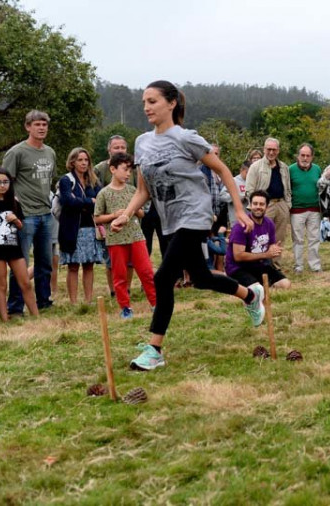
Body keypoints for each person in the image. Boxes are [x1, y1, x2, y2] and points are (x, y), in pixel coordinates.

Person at [110, 80, 262, 371]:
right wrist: (126, 214)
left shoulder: (186, 138)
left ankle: (155, 349)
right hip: (170, 219)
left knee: (164, 276)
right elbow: (143, 190)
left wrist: (239, 209)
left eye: (152, 101)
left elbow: (222, 170)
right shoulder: (142, 143)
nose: (146, 107)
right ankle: (251, 295)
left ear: (171, 103)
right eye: (144, 102)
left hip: (195, 213)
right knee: (202, 277)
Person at [2, 110, 55, 314]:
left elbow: (50, 179)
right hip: (25, 216)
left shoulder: (50, 152)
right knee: (20, 264)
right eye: (37, 124)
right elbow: (4, 182)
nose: (41, 128)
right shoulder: (17, 152)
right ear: (27, 127)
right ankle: (15, 307)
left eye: (44, 124)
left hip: (46, 213)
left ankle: (44, 301)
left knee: (45, 262)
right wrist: (13, 209)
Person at [94, 152, 157, 319]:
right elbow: (97, 218)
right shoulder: (104, 193)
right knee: (119, 275)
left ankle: (155, 303)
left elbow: (143, 213)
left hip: (136, 236)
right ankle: (125, 308)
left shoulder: (133, 191)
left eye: (130, 170)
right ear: (113, 169)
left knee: (146, 272)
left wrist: (133, 210)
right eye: (125, 169)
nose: (128, 174)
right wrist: (115, 215)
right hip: (115, 240)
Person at [0, 170, 39, 321]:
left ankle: (36, 316)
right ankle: (5, 319)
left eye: (5, 182)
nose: (2, 185)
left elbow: (20, 225)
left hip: (14, 248)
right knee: (1, 284)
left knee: (25, 282)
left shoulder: (13, 202)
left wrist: (15, 220)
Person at [58, 148, 104, 305]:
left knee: (89, 264)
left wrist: (81, 201)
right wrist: (88, 201)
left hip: (91, 227)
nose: (84, 163)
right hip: (72, 228)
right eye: (80, 160)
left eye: (86, 160)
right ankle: (73, 302)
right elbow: (68, 202)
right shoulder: (66, 180)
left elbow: (100, 200)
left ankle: (88, 300)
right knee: (72, 266)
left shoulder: (93, 180)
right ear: (72, 162)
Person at [92, 135, 133, 299]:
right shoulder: (99, 169)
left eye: (123, 147)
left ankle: (128, 288)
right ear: (109, 150)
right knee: (111, 260)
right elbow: (94, 192)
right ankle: (114, 290)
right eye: (116, 147)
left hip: (130, 219)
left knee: (130, 259)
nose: (120, 150)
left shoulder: (133, 168)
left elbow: (139, 191)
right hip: (107, 220)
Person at [225, 190, 291, 290]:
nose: (258, 207)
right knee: (257, 290)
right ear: (250, 205)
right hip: (238, 268)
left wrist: (274, 250)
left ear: (267, 206)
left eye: (261, 204)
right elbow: (238, 256)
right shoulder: (241, 226)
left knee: (285, 284)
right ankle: (247, 287)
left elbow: (271, 245)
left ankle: (262, 287)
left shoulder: (269, 223)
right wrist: (266, 255)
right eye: (255, 204)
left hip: (259, 266)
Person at [244, 138, 291, 263]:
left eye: (274, 150)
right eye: (269, 149)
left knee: (279, 236)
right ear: (264, 150)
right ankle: (261, 262)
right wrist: (256, 206)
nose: (271, 152)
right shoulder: (255, 167)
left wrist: (288, 205)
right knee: (262, 236)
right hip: (264, 206)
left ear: (278, 151)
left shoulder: (284, 167)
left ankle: (275, 264)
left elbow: (288, 188)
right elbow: (249, 189)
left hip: (281, 204)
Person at [288, 143, 322, 273]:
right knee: (298, 239)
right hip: (297, 210)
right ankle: (299, 266)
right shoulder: (290, 170)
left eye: (308, 156)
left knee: (314, 238)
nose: (305, 158)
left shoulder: (317, 169)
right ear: (298, 156)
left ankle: (315, 266)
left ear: (312, 157)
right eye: (302, 155)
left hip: (314, 209)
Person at [220, 149, 260, 228]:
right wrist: (236, 198)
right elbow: (222, 195)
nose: (249, 175)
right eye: (247, 172)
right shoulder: (233, 181)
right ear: (242, 170)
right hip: (236, 219)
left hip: (250, 218)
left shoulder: (254, 182)